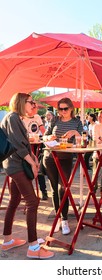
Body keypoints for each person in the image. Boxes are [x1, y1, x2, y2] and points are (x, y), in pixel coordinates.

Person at [0, 92, 54, 259]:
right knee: (32, 201)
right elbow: (18, 145)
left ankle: (7, 240)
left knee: (15, 200)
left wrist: (33, 158)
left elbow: (22, 144)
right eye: (31, 102)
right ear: (22, 102)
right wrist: (32, 162)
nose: (34, 105)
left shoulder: (15, 118)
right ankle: (33, 247)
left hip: (13, 164)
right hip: (16, 165)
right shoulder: (13, 117)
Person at [43, 98, 83, 234]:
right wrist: (49, 138)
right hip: (50, 157)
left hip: (66, 158)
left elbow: (85, 141)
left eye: (65, 109)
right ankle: (58, 218)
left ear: (71, 108)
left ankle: (64, 219)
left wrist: (76, 133)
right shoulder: (54, 120)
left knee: (63, 189)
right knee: (54, 189)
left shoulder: (77, 122)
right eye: (60, 109)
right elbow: (45, 136)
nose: (63, 112)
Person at [22, 102, 48, 201]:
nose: (36, 109)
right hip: (26, 147)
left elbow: (42, 130)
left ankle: (43, 191)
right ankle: (27, 194)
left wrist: (47, 137)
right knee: (27, 170)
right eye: (34, 107)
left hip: (38, 145)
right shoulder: (22, 118)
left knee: (39, 168)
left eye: (37, 107)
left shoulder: (37, 117)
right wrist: (29, 139)